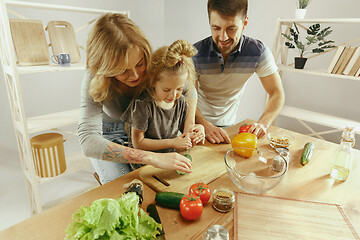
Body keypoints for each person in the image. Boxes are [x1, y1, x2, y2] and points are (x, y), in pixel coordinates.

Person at [78, 13, 195, 184]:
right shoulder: (93, 77)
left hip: (148, 133)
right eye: (122, 70)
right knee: (121, 186)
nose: (135, 75)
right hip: (111, 136)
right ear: (104, 68)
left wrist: (191, 124)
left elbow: (188, 89)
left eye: (139, 63)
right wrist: (150, 157)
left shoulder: (154, 62)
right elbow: (88, 141)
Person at [193, 0, 285, 144]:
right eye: (216, 28)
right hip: (196, 124)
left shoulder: (258, 52)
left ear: (245, 23)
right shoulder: (195, 54)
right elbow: (187, 99)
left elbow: (277, 93)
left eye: (231, 29)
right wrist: (205, 125)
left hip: (230, 126)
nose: (223, 37)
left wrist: (263, 123)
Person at [121, 40, 205, 170]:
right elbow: (138, 143)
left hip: (170, 160)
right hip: (145, 165)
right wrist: (172, 142)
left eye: (179, 89)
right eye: (166, 90)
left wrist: (197, 131)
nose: (173, 96)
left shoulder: (182, 101)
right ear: (152, 81)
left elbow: (185, 133)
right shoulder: (142, 106)